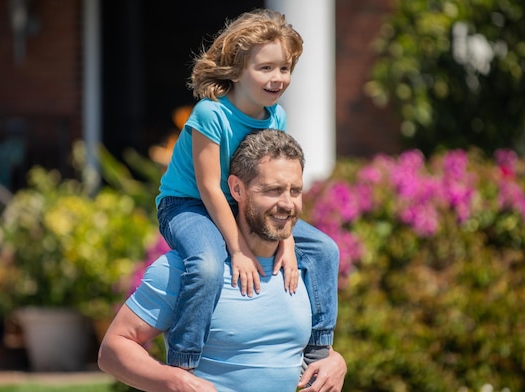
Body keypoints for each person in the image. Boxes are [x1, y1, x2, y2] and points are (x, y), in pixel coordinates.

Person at [155, 8, 340, 371]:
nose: (278, 78)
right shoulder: (211, 114)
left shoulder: (277, 117)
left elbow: (275, 187)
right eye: (266, 68)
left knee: (325, 251)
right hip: (187, 205)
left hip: (241, 204)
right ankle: (184, 362)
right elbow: (209, 187)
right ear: (237, 70)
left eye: (285, 68)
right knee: (208, 265)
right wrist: (238, 250)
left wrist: (286, 243)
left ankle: (318, 350)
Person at [99, 130, 346, 392]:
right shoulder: (189, 268)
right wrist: (175, 381)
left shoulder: (305, 267)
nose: (287, 204)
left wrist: (336, 361)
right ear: (237, 189)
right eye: (274, 190)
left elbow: (299, 350)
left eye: (295, 191)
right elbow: (112, 350)